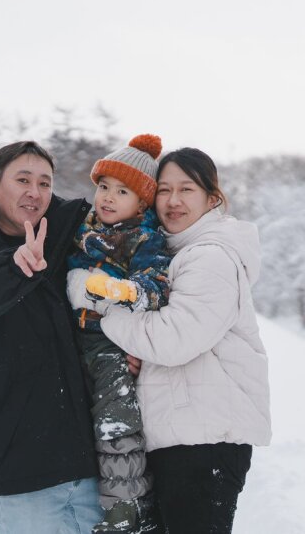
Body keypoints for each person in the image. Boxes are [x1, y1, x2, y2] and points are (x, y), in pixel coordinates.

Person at [68, 147, 271, 534]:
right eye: (164, 190)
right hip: (180, 436)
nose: (173, 201)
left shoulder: (211, 256)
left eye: (187, 189)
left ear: (212, 199)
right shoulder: (172, 253)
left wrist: (106, 318)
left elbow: (175, 339)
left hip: (204, 442)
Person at [0, 141, 101, 533]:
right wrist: (13, 266)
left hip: (93, 463)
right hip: (22, 471)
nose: (35, 192)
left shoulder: (71, 233)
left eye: (44, 182)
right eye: (23, 179)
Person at [67, 134, 170, 533]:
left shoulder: (145, 238)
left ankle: (126, 515)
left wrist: (122, 290)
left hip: (112, 346)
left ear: (142, 202)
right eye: (103, 187)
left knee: (116, 427)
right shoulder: (84, 229)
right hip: (76, 341)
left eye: (121, 191)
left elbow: (156, 284)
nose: (107, 197)